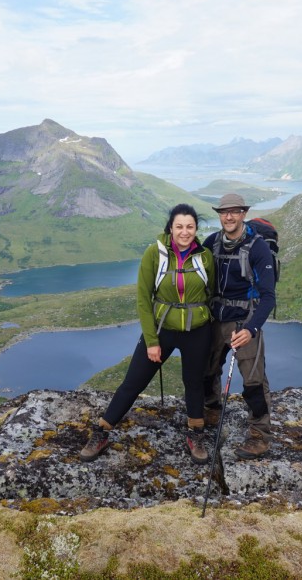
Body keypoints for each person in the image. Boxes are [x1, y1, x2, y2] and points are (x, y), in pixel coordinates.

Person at [80, 203, 216, 464]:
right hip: (162, 330)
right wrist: (152, 341)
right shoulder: (155, 253)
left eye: (190, 227)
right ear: (171, 228)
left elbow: (212, 293)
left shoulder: (205, 257)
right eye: (179, 226)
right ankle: (102, 431)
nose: (185, 232)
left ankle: (195, 433)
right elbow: (144, 299)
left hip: (198, 331)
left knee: (194, 383)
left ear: (196, 229)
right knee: (134, 382)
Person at [203, 193, 276, 459]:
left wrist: (251, 329)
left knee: (254, 380)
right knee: (207, 369)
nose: (229, 217)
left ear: (243, 213)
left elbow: (268, 296)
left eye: (235, 211)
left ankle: (259, 435)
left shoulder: (257, 248)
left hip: (244, 322)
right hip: (215, 318)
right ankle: (211, 409)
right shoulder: (211, 243)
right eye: (224, 212)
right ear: (219, 215)